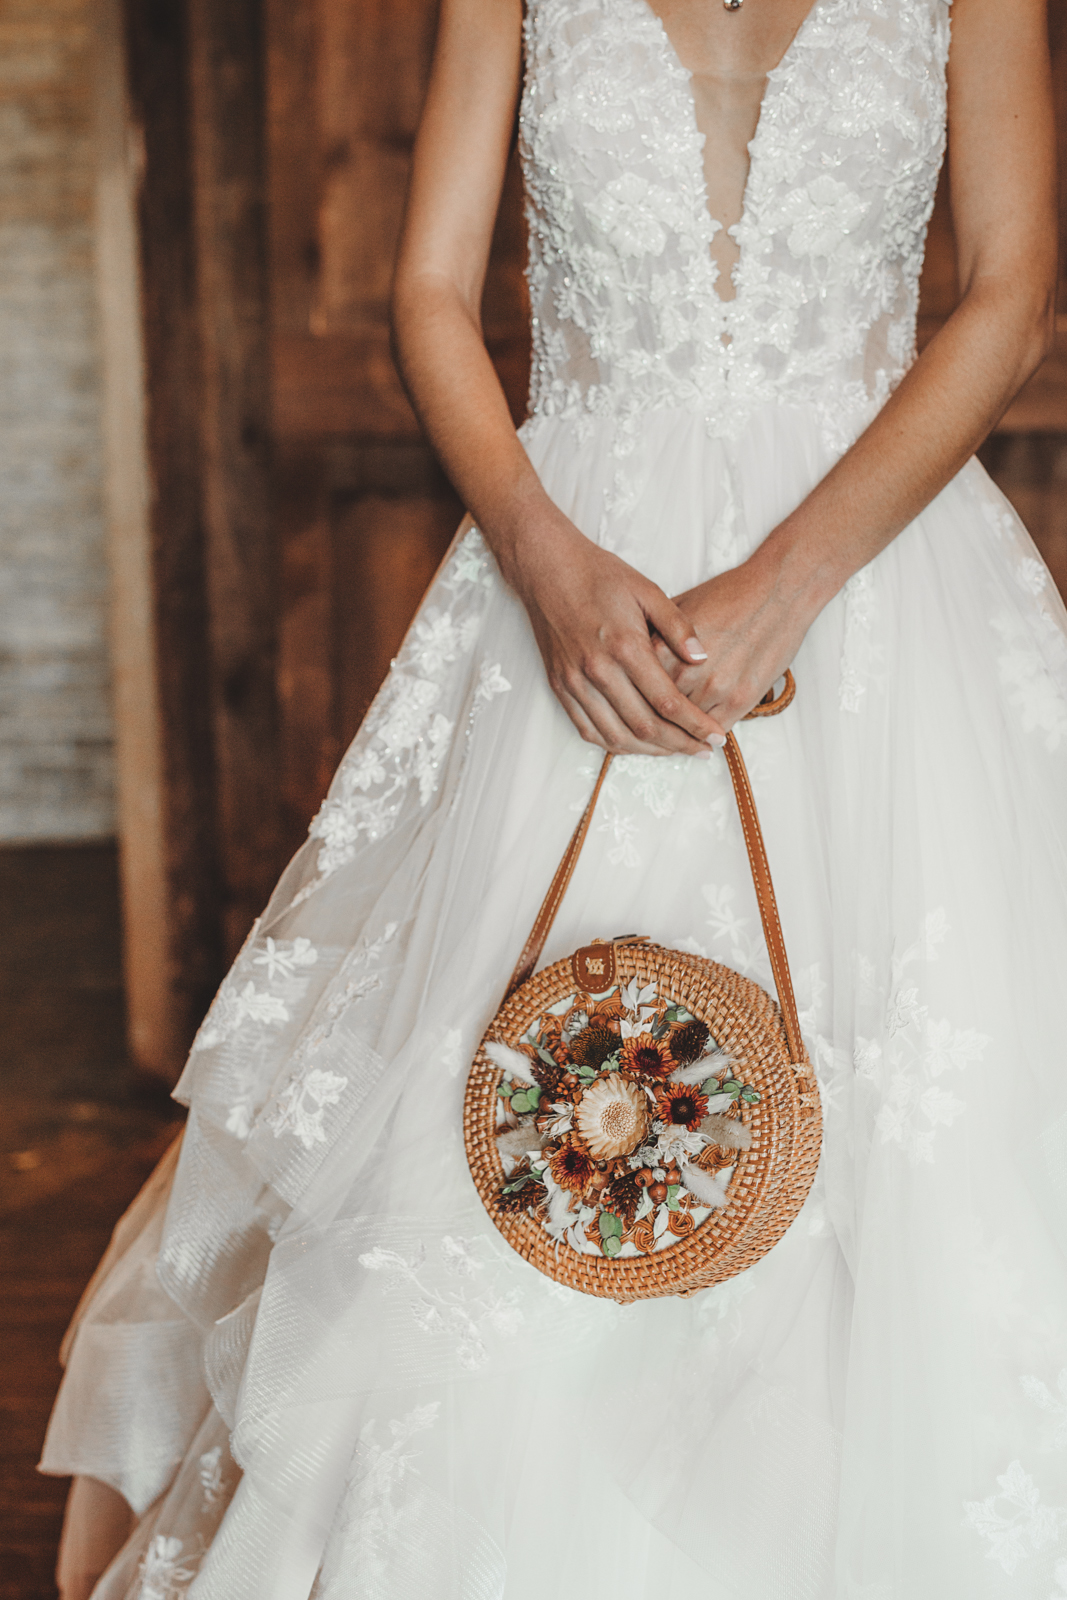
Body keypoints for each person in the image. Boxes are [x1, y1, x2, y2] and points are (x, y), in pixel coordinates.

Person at [44, 0, 1067, 1595]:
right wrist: (543, 559)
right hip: (575, 589)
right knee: (504, 1115)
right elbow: (430, 294)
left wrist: (789, 588)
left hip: (877, 591)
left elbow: (1009, 297)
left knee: (922, 1144)